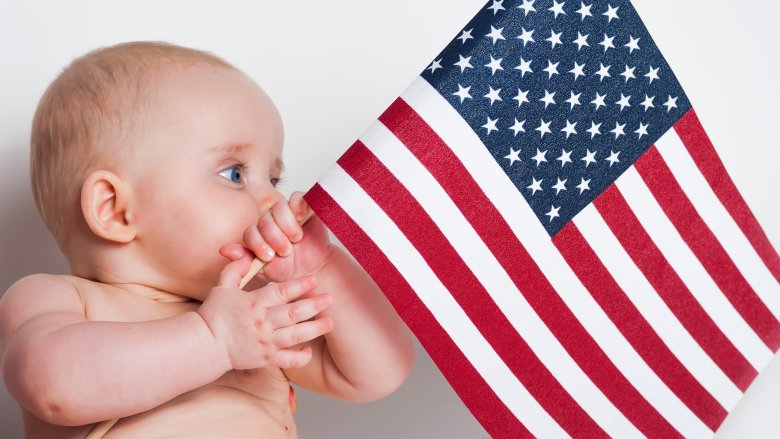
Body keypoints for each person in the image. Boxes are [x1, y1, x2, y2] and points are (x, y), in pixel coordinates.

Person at [0, 41, 415, 438]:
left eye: (273, 178)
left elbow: (380, 374)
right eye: (234, 174)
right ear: (115, 209)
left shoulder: (254, 319)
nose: (273, 198)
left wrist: (320, 268)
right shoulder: (57, 300)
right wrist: (214, 341)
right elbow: (51, 386)